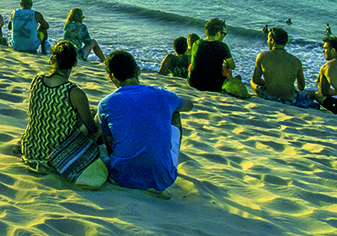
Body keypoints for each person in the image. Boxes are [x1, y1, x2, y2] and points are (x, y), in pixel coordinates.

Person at [98, 51, 193, 194]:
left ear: (111, 78)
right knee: (175, 112)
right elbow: (188, 105)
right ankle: (163, 162)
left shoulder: (105, 103)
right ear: (138, 70)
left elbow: (109, 144)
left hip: (121, 177)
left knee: (106, 122)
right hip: (162, 179)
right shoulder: (161, 94)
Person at [19, 41, 104, 187]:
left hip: (30, 148)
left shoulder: (37, 81)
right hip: (55, 156)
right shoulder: (75, 92)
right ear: (75, 63)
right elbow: (91, 128)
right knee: (97, 118)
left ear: (52, 60)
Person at [251, 27, 319, 108]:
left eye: (268, 39)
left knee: (251, 82)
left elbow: (256, 80)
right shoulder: (296, 60)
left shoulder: (262, 56)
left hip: (269, 97)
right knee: (311, 93)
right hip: (290, 100)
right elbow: (301, 87)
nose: (267, 41)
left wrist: (270, 83)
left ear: (272, 40)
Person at [188, 18, 234, 93]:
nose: (223, 36)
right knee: (227, 70)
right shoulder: (222, 46)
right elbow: (232, 66)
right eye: (224, 34)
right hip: (213, 86)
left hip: (193, 82)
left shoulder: (196, 43)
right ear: (218, 34)